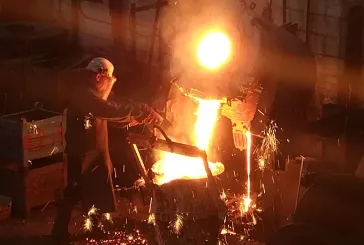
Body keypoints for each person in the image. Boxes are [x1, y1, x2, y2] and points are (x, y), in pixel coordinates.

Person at [51, 57, 160, 244]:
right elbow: (106, 109)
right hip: (82, 150)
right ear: (99, 76)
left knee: (97, 188)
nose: (108, 85)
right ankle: (58, 233)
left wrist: (134, 117)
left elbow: (113, 106)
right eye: (107, 80)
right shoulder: (84, 94)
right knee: (74, 191)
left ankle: (94, 227)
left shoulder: (92, 90)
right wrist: (138, 110)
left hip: (96, 150)